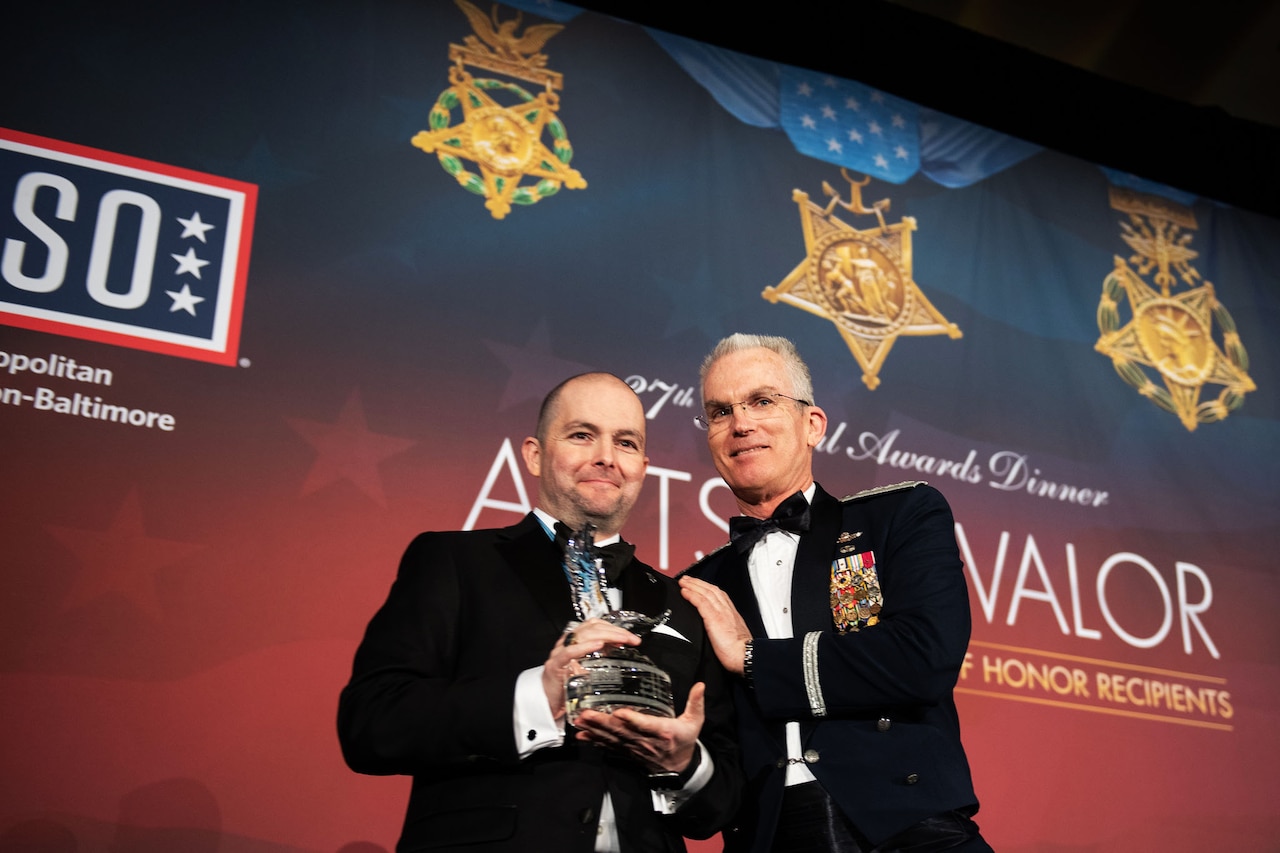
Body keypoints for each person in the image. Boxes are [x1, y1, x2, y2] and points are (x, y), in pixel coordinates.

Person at [338, 372, 740, 853]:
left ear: (643, 466)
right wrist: (539, 695)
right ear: (534, 454)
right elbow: (371, 723)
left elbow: (722, 801)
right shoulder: (454, 562)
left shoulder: (685, 603)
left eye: (626, 442)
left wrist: (683, 763)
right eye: (581, 435)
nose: (606, 457)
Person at [678, 334, 990, 853]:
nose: (741, 424)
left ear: (812, 425)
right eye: (719, 411)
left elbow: (922, 658)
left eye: (761, 401)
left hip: (908, 826)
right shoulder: (700, 587)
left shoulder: (901, 515)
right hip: (768, 834)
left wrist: (754, 658)